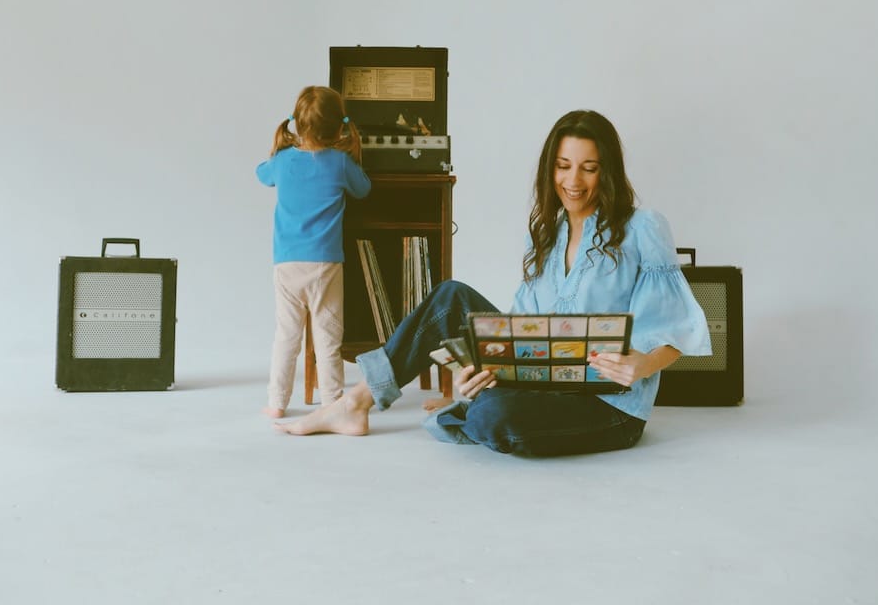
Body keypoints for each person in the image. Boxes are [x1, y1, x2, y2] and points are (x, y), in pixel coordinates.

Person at [275, 109, 711, 456]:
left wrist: (642, 365)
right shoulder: (547, 233)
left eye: (589, 168)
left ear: (607, 171)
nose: (573, 181)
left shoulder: (643, 227)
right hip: (541, 383)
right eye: (563, 166)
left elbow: (676, 326)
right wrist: (483, 370)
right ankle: (356, 403)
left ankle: (477, 408)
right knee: (450, 297)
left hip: (608, 405)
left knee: (492, 417)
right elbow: (521, 332)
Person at [256, 86, 372, 418]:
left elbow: (261, 174)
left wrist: (279, 148)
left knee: (286, 337)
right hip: (325, 263)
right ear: (339, 127)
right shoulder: (340, 163)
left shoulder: (281, 162)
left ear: (297, 123)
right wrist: (353, 150)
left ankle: (277, 403)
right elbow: (364, 189)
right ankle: (332, 402)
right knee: (328, 338)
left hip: (287, 263)